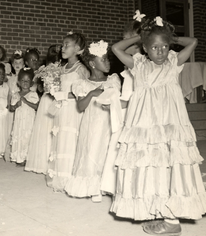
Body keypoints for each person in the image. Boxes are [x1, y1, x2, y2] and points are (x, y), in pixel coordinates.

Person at [110, 16, 205, 236]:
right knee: (153, 166)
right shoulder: (138, 64)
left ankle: (172, 220)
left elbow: (193, 42)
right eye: (154, 47)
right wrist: (142, 34)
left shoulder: (174, 62)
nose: (161, 51)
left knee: (171, 166)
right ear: (144, 48)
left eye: (165, 46)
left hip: (170, 125)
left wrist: (170, 36)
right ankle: (162, 213)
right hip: (146, 125)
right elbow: (116, 48)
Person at [64, 40, 121, 202]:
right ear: (92, 64)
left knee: (108, 151)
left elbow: (117, 101)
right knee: (91, 152)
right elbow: (81, 107)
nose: (107, 63)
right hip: (91, 125)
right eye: (103, 60)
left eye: (107, 59)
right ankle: (93, 187)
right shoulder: (82, 84)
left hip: (109, 122)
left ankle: (108, 185)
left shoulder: (113, 80)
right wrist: (92, 93)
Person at [100, 10, 145, 196]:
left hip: (133, 112)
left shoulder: (139, 62)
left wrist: (117, 104)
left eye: (127, 40)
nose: (123, 44)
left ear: (136, 44)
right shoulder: (131, 62)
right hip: (126, 108)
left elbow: (134, 95)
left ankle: (130, 188)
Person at [46, 32, 90, 192]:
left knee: (70, 141)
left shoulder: (81, 69)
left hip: (73, 109)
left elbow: (84, 92)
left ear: (78, 49)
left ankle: (70, 178)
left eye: (66, 45)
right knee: (61, 139)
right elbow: (60, 87)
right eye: (62, 44)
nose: (62, 48)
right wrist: (53, 89)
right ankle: (59, 176)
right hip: (61, 109)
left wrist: (65, 95)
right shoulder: (62, 68)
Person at [25, 45, 61, 174]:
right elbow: (38, 87)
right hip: (50, 98)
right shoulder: (48, 70)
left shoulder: (44, 69)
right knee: (48, 128)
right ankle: (46, 162)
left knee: (50, 129)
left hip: (51, 98)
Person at [10, 68, 39, 166]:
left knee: (28, 138)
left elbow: (37, 107)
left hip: (29, 121)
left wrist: (26, 101)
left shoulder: (33, 94)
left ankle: (28, 158)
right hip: (19, 123)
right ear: (18, 82)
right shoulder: (16, 95)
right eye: (22, 80)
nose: (25, 82)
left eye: (27, 81)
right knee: (20, 138)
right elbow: (11, 108)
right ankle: (20, 158)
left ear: (31, 83)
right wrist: (16, 105)